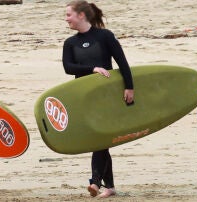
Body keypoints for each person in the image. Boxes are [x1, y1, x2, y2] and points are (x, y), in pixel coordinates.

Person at [62, 0, 134, 198]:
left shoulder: (105, 36)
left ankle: (95, 181)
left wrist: (129, 87)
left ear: (81, 15)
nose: (66, 18)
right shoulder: (71, 43)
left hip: (105, 97)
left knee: (99, 139)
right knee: (100, 139)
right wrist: (92, 69)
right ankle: (109, 186)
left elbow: (122, 62)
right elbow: (68, 67)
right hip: (83, 99)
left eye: (69, 14)